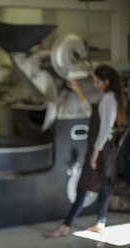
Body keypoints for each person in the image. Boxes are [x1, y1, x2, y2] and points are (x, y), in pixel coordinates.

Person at [44, 65, 127, 238]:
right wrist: (78, 91)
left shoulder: (109, 99)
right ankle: (101, 222)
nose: (95, 85)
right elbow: (91, 110)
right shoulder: (107, 97)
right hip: (102, 146)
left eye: (97, 82)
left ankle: (65, 226)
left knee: (83, 186)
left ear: (106, 82)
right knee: (102, 184)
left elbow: (105, 129)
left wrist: (95, 153)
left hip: (100, 147)